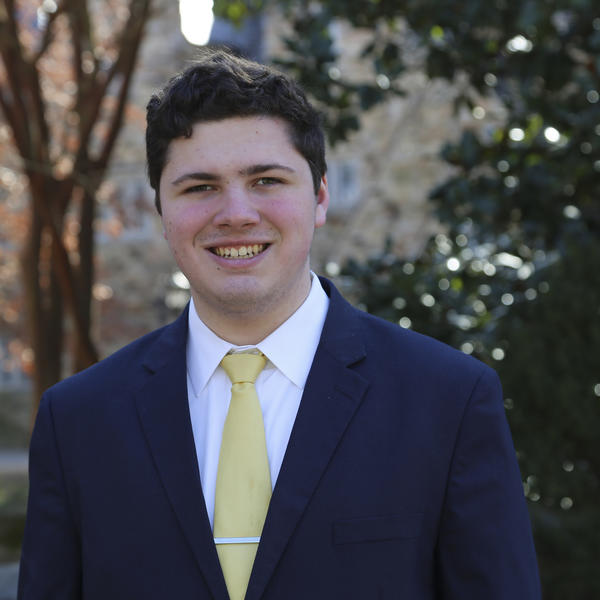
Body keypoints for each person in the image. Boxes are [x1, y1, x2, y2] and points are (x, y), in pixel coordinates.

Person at [18, 49, 541, 600]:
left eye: (266, 180)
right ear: (161, 210)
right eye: (200, 187)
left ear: (318, 197)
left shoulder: (449, 401)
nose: (237, 213)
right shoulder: (77, 421)